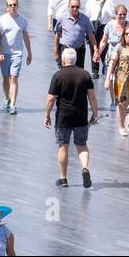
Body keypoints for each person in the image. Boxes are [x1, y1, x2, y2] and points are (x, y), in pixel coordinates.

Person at [44, 47, 98, 188]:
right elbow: (91, 95)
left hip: (63, 116)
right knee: (82, 145)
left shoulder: (58, 76)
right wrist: (95, 112)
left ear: (63, 60)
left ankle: (63, 178)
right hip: (81, 116)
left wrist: (47, 114)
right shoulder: (85, 75)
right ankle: (85, 168)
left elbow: (51, 98)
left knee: (63, 146)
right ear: (75, 60)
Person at [105, 20, 129, 134]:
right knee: (121, 104)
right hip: (120, 80)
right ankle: (121, 126)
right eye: (126, 34)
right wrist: (107, 79)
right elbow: (112, 62)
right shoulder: (120, 46)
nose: (128, 36)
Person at [0, 0, 32, 114]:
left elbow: (26, 37)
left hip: (17, 54)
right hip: (4, 53)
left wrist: (29, 53)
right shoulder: (1, 20)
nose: (12, 7)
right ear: (6, 7)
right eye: (10, 5)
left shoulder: (23, 21)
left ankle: (13, 104)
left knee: (14, 77)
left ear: (17, 6)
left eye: (14, 5)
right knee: (6, 77)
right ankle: (7, 98)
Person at [52, 0, 97, 70]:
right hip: (66, 50)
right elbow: (57, 36)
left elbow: (91, 36)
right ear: (68, 6)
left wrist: (96, 50)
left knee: (79, 73)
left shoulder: (85, 19)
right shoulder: (62, 18)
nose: (75, 9)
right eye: (72, 6)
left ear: (79, 7)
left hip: (80, 50)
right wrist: (56, 52)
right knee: (66, 72)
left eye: (77, 7)